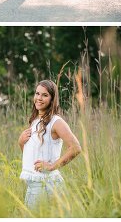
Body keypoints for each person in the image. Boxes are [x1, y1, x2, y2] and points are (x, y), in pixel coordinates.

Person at [18, 79, 82, 209]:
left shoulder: (56, 121)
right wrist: (21, 142)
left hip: (47, 185)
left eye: (45, 95)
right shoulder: (35, 121)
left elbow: (76, 148)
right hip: (33, 185)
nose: (39, 98)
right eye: (37, 93)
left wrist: (52, 166)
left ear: (52, 99)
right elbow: (31, 155)